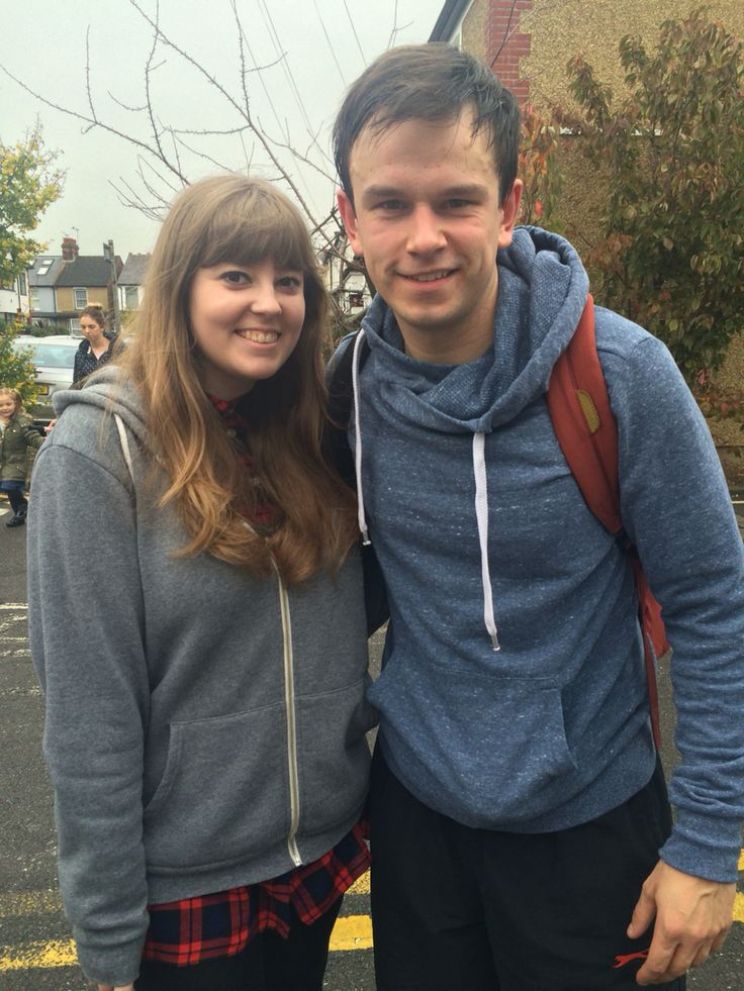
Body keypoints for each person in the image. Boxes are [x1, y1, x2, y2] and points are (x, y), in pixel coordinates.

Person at [331, 44, 744, 990]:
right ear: (351, 219)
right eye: (390, 204)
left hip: (593, 826)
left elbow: (715, 602)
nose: (423, 237)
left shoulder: (621, 375)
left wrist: (709, 843)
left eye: (457, 201)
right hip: (420, 825)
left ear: (510, 206)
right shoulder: (347, 391)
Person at [27, 175, 376, 991]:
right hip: (184, 887)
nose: (269, 303)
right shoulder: (98, 452)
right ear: (180, 288)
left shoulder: (308, 433)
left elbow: (344, 613)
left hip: (314, 858)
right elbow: (90, 713)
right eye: (236, 276)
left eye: (289, 280)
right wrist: (108, 925)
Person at [0, 386, 43, 527]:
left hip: (15, 463)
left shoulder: (22, 422)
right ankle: (19, 513)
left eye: (8, 404)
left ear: (16, 404)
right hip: (2, 463)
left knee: (10, 486)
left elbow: (33, 437)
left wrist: (47, 445)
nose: (5, 408)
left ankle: (22, 507)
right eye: (1, 405)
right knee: (9, 489)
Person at [73, 304, 120, 383]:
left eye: (91, 327)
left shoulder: (118, 349)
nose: (87, 331)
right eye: (83, 327)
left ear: (102, 327)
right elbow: (77, 383)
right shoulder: (81, 354)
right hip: (89, 390)